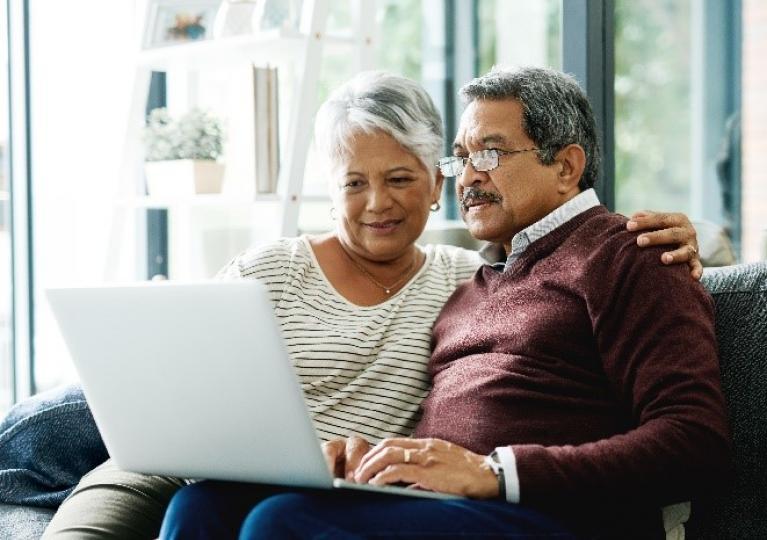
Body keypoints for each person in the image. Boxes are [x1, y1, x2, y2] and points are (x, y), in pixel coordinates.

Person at [0, 71, 701, 538]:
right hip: (423, 494)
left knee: (280, 523)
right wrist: (367, 458)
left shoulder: (629, 253)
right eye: (465, 157)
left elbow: (693, 440)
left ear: (567, 165)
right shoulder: (485, 277)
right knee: (199, 504)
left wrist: (492, 471)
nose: (468, 178)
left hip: (545, 513)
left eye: (487, 153)